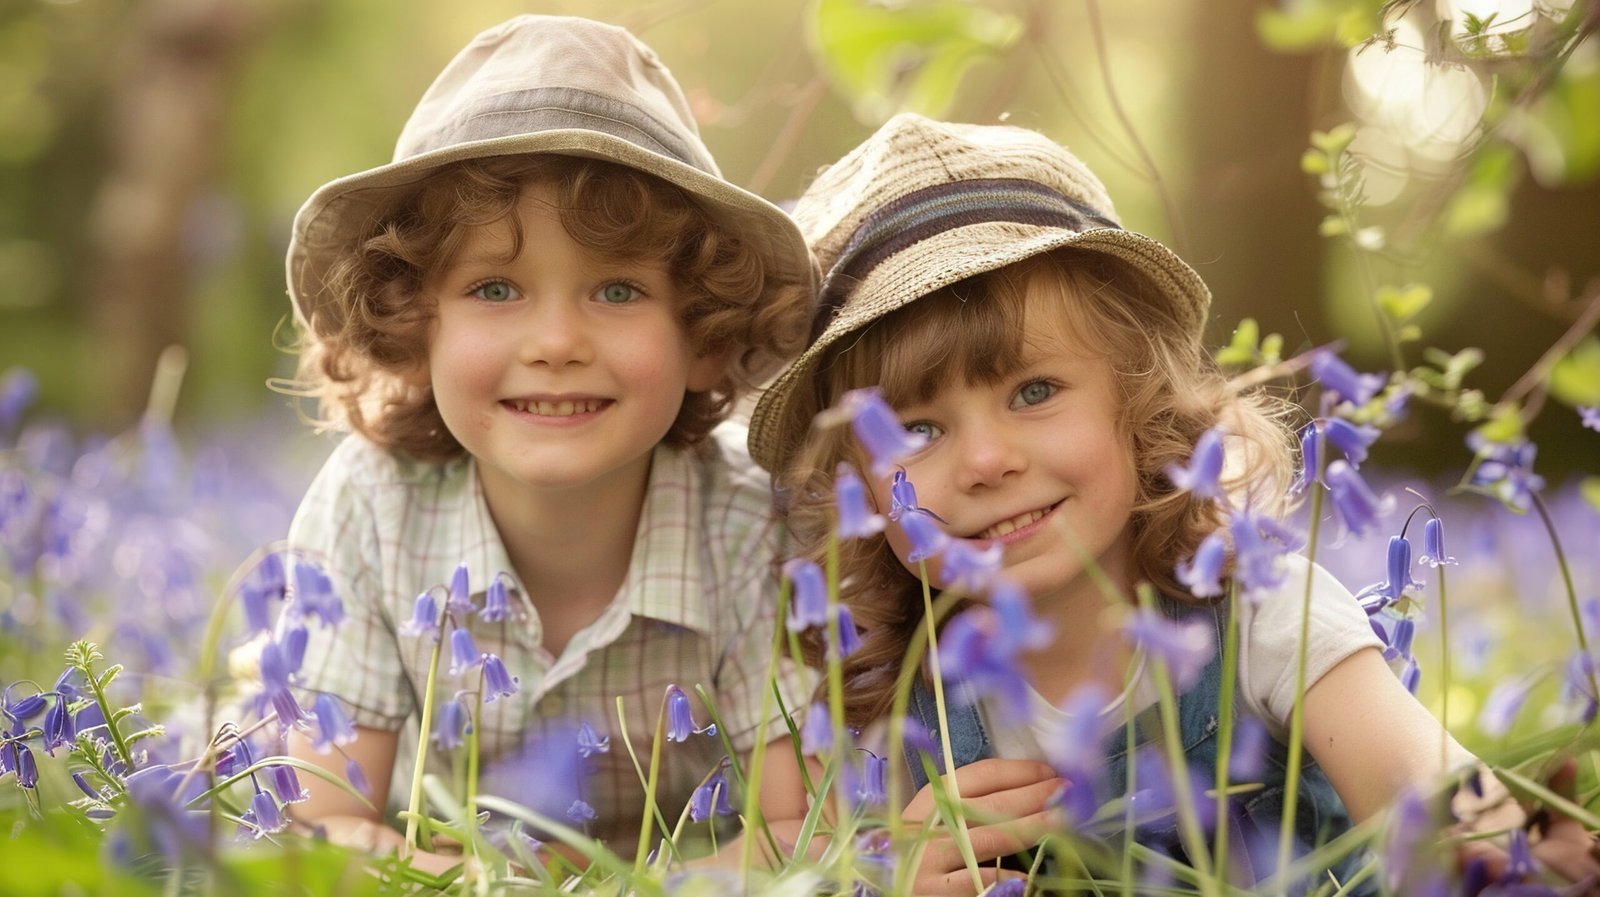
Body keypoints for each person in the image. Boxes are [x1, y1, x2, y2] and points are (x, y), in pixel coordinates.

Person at [747, 113, 1600, 895]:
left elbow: (1428, 790)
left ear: (1140, 403)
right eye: (918, 429)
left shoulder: (1267, 616)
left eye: (1035, 389)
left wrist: (1509, 848)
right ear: (858, 490)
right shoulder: (905, 710)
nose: (987, 460)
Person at [277, 15, 815, 868]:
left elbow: (800, 831)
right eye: (496, 287)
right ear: (416, 329)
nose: (556, 340)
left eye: (617, 288)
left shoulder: (748, 525)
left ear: (702, 333)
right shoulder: (368, 507)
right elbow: (319, 824)